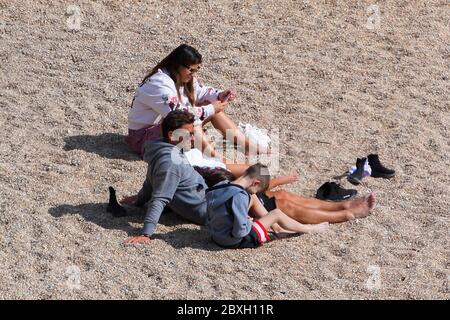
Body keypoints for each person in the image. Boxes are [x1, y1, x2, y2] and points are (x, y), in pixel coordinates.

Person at [127, 43, 266, 158]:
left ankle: (246, 146)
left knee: (208, 110)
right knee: (193, 120)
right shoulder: (158, 84)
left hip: (163, 127)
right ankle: (214, 156)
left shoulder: (181, 77)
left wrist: (219, 95)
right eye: (191, 70)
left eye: (196, 69)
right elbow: (179, 115)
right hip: (143, 139)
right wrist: (211, 108)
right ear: (178, 65)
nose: (194, 74)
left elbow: (200, 92)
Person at [124, 110, 210, 244]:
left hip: (206, 198)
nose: (193, 139)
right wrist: (146, 233)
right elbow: (159, 198)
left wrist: (139, 200)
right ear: (172, 135)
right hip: (209, 209)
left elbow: (151, 183)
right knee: (249, 191)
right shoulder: (171, 162)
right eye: (189, 135)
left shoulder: (162, 150)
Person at [205, 163, 329, 249]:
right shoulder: (240, 196)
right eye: (257, 190)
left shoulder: (221, 185)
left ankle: (277, 228)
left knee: (251, 197)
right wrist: (249, 223)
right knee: (276, 213)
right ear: (255, 183)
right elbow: (240, 232)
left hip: (216, 235)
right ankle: (309, 229)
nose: (255, 194)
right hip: (232, 241)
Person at [195, 166, 376, 225]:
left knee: (282, 195)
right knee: (286, 206)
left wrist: (281, 180)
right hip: (246, 201)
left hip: (248, 193)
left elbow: (254, 184)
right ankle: (344, 214)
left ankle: (342, 205)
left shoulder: (203, 164)